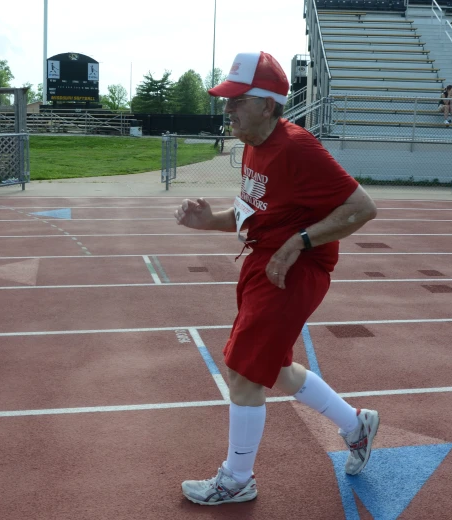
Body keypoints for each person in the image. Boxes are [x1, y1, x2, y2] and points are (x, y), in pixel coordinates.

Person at [174, 51, 381, 506]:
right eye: (226, 100)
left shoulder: (297, 147)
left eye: (236, 101)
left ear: (267, 105)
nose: (227, 109)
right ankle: (355, 424)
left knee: (245, 373)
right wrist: (209, 222)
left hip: (294, 271)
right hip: (264, 262)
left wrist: (298, 243)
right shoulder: (251, 144)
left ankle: (237, 478)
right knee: (277, 369)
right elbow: (251, 216)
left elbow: (362, 208)